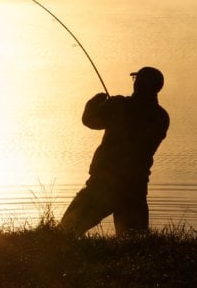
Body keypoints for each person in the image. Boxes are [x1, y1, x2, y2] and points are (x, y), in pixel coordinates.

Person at [58, 66, 169, 236]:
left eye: (136, 80)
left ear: (138, 84)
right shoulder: (161, 117)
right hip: (135, 187)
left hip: (103, 184)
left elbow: (89, 120)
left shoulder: (118, 105)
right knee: (134, 244)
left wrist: (94, 102)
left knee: (66, 231)